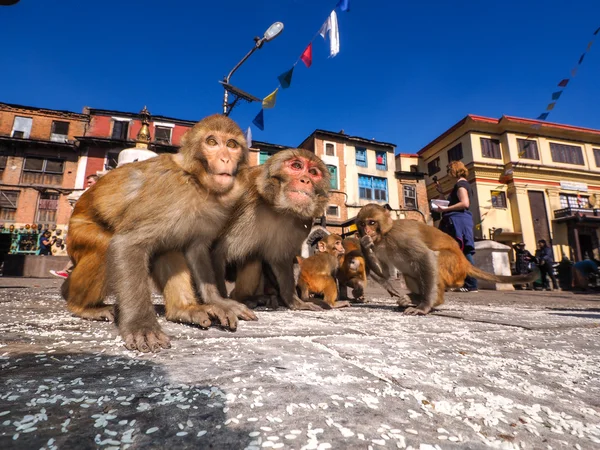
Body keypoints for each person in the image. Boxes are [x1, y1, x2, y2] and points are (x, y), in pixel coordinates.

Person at [436, 161, 478, 292]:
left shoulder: (461, 184)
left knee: (463, 251)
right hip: (456, 220)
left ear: (454, 170)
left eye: (449, 170)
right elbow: (451, 203)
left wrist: (445, 209)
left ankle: (471, 284)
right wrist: (441, 193)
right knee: (456, 252)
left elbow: (464, 203)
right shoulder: (460, 184)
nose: (448, 173)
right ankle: (460, 282)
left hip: (458, 221)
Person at [50, 174, 99, 278]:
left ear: (97, 182)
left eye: (90, 182)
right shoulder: (89, 193)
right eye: (88, 182)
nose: (88, 184)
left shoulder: (97, 193)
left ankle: (69, 272)